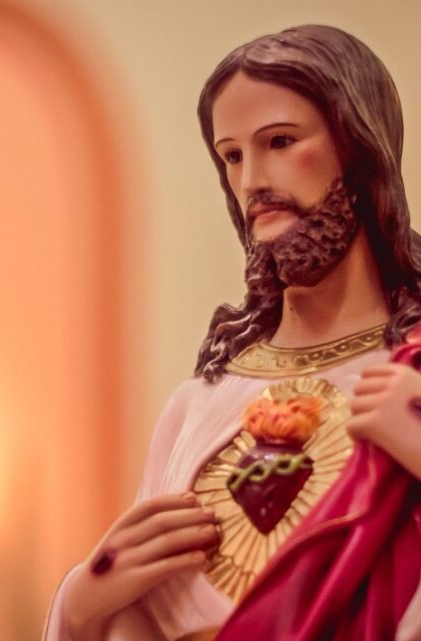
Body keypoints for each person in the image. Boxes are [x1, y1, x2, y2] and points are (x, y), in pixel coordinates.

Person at [43, 24, 421, 641]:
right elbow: (147, 618)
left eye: (280, 141)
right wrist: (83, 606)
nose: (251, 184)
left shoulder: (412, 373)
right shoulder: (200, 405)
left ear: (359, 149)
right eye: (233, 156)